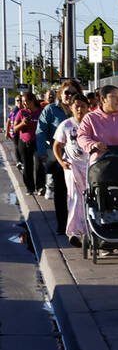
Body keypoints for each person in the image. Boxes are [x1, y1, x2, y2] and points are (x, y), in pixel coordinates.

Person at [37, 80, 84, 234]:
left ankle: (80, 223)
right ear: (60, 94)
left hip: (80, 159)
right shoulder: (50, 110)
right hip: (59, 156)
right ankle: (62, 223)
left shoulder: (81, 109)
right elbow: (41, 131)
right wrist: (42, 151)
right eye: (66, 93)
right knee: (61, 191)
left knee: (80, 193)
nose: (69, 96)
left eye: (73, 93)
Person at [52, 95, 91, 244]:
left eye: (82, 106)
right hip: (72, 167)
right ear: (70, 108)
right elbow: (57, 145)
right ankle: (74, 232)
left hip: (90, 167)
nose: (79, 109)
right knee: (74, 198)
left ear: (88, 107)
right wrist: (62, 162)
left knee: (90, 199)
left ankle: (89, 231)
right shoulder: (66, 125)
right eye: (76, 106)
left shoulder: (92, 124)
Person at [78, 85, 118, 161]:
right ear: (103, 99)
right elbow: (82, 137)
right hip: (99, 165)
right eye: (114, 96)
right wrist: (93, 144)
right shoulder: (90, 117)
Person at [13, 92, 45, 195]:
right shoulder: (21, 112)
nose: (24, 104)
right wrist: (23, 123)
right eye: (22, 102)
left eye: (26, 102)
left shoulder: (41, 112)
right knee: (27, 166)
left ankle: (40, 186)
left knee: (39, 165)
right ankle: (29, 188)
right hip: (25, 142)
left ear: (32, 101)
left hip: (38, 142)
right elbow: (14, 128)